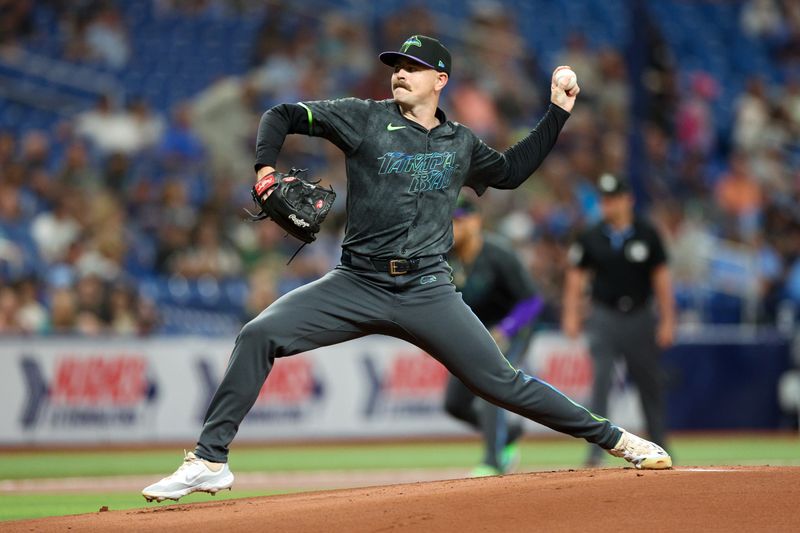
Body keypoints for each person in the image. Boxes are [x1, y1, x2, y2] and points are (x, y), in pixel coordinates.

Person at [143, 35, 671, 503]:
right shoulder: (365, 117)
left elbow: (510, 172)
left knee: (502, 383)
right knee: (259, 333)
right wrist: (264, 169)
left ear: (440, 80)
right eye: (396, 64)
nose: (399, 71)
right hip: (357, 281)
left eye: (413, 66)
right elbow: (281, 114)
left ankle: (618, 439)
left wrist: (557, 113)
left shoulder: (460, 142)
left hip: (426, 288)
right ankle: (209, 461)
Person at [561, 172, 676, 468]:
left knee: (648, 383)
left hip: (639, 316)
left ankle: (660, 444)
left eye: (613, 199)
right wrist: (571, 315)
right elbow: (576, 277)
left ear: (628, 200)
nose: (607, 205)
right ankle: (596, 450)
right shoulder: (591, 235)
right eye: (604, 200)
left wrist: (667, 320)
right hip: (604, 316)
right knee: (600, 383)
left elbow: (661, 279)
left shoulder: (647, 233)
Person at [444, 195, 544, 477]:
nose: (454, 227)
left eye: (460, 220)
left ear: (476, 221)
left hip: (511, 328)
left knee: (490, 384)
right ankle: (508, 433)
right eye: (450, 221)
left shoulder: (498, 254)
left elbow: (533, 301)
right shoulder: (446, 255)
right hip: (476, 332)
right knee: (454, 404)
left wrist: (507, 328)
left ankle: (493, 459)